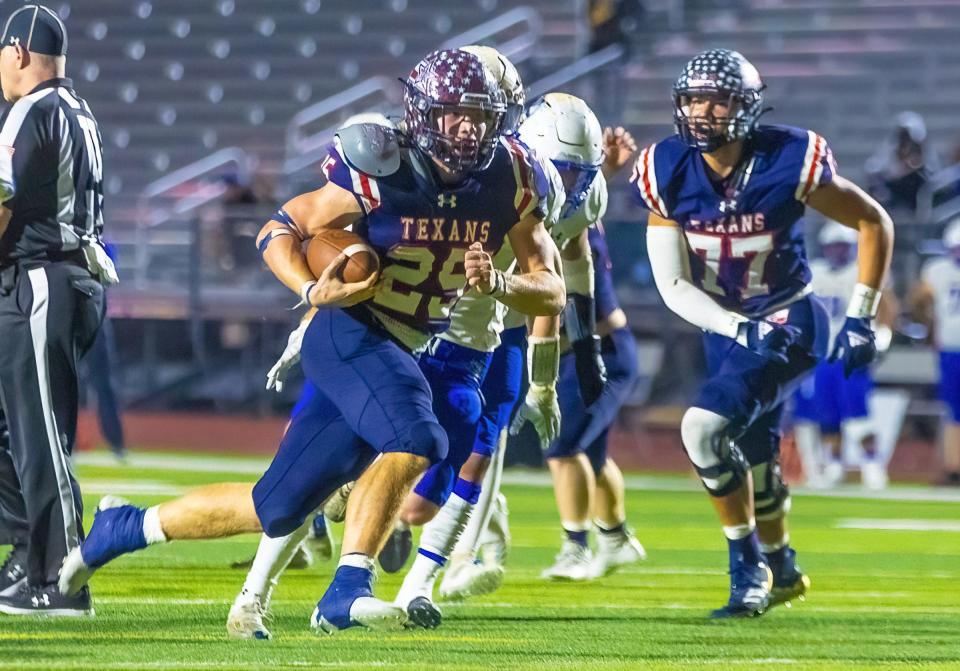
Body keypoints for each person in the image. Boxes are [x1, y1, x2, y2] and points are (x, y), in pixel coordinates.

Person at [58, 49, 565, 635]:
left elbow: (551, 289)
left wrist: (501, 283)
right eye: (456, 113)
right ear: (424, 113)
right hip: (353, 332)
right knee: (417, 433)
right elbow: (282, 226)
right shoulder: (385, 164)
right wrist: (308, 287)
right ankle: (346, 592)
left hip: (410, 346)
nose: (469, 128)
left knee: (274, 507)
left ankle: (121, 529)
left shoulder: (514, 177)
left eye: (481, 115)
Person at [633, 49, 893, 617]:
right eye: (694, 99)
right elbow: (674, 285)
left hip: (787, 317)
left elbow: (873, 221)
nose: (702, 111)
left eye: (717, 100)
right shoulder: (666, 168)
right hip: (723, 324)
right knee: (753, 455)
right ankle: (783, 568)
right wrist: (736, 328)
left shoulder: (788, 157)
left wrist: (861, 316)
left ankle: (745, 568)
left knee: (702, 431)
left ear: (746, 107)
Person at [0, 4, 116, 617]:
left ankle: (62, 577)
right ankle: (28, 553)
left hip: (42, 281)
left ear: (17, 52)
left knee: (40, 436)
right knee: (15, 431)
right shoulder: (77, 110)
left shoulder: (31, 110)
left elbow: (2, 203)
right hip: (61, 279)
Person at [791, 222, 896, 490]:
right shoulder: (814, 272)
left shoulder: (862, 271)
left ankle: (872, 466)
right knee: (827, 416)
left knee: (858, 414)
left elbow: (886, 305)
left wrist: (881, 334)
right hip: (822, 353)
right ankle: (834, 466)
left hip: (850, 351)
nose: (838, 251)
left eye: (843, 246)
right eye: (834, 246)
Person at [909, 219, 960, 486]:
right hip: (950, 348)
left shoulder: (937, 270)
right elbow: (921, 302)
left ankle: (953, 466)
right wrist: (929, 327)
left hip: (950, 346)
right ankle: (953, 467)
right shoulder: (936, 270)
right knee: (953, 410)